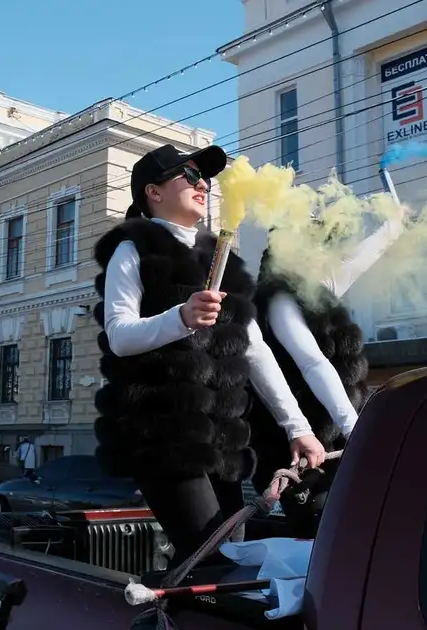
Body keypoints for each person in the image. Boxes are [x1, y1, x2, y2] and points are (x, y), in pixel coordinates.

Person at [92, 143, 326, 564]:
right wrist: (181, 316)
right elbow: (120, 336)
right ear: (154, 192)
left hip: (222, 439)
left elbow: (256, 351)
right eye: (190, 176)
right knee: (211, 559)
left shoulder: (224, 261)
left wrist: (298, 427)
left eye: (206, 178)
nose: (204, 185)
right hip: (164, 437)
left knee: (231, 560)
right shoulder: (133, 250)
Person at [248, 212, 404, 536]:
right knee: (321, 533)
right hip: (303, 451)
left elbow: (359, 259)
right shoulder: (279, 297)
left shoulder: (319, 287)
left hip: (335, 444)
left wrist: (392, 228)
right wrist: (355, 428)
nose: (326, 250)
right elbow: (312, 362)